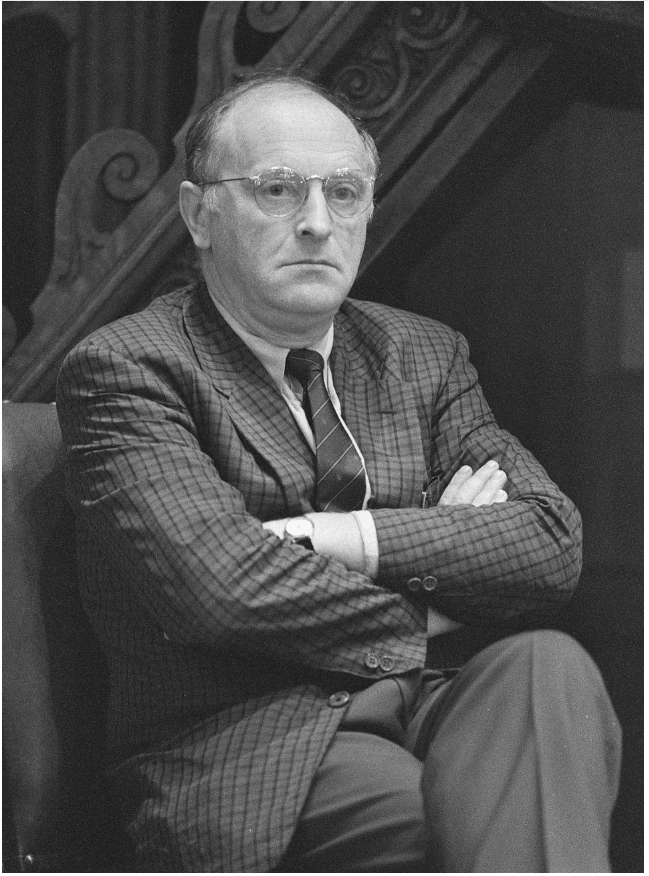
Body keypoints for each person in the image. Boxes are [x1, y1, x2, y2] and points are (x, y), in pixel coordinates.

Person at [56, 72, 621, 872]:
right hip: (256, 742)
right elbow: (220, 589)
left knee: (544, 665)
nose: (318, 223)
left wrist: (331, 537)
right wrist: (436, 586)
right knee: (455, 837)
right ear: (199, 214)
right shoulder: (129, 366)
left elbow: (548, 544)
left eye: (344, 193)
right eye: (278, 190)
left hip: (434, 704)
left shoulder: (420, 353)